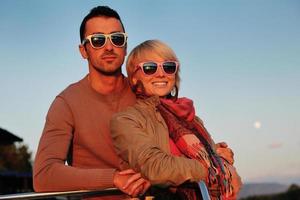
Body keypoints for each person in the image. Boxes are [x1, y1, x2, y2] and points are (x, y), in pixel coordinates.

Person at [33, 6, 150, 199]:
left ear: (126, 46)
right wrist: (113, 179)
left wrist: (214, 150)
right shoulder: (66, 103)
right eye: (97, 40)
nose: (109, 46)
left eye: (117, 38)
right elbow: (43, 175)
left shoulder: (144, 91)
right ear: (83, 50)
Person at [111, 40, 242, 199]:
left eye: (168, 67)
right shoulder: (126, 120)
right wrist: (215, 164)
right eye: (149, 68)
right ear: (133, 78)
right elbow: (156, 167)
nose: (161, 74)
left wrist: (219, 154)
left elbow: (222, 166)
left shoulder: (191, 118)